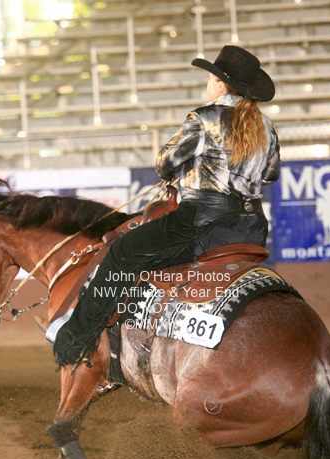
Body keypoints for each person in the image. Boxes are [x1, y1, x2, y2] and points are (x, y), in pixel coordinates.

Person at [52, 45, 281, 368]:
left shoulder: (204, 118)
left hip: (202, 223)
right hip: (252, 227)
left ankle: (74, 341)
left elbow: (165, 162)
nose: (208, 83)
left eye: (211, 78)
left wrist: (190, 171)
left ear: (220, 85)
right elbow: (270, 174)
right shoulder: (265, 126)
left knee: (122, 253)